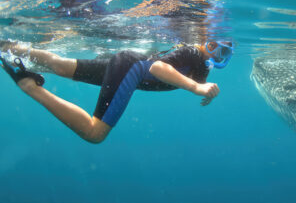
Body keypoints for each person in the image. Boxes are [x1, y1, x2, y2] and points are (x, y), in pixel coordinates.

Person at [0, 40, 233, 143]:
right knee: (95, 133)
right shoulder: (192, 52)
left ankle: (6, 46)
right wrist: (195, 87)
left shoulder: (201, 65)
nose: (218, 57)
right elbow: (156, 67)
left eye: (225, 54)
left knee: (60, 65)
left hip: (126, 63)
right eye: (217, 49)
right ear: (208, 43)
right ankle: (27, 85)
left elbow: (200, 79)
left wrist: (205, 92)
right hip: (130, 68)